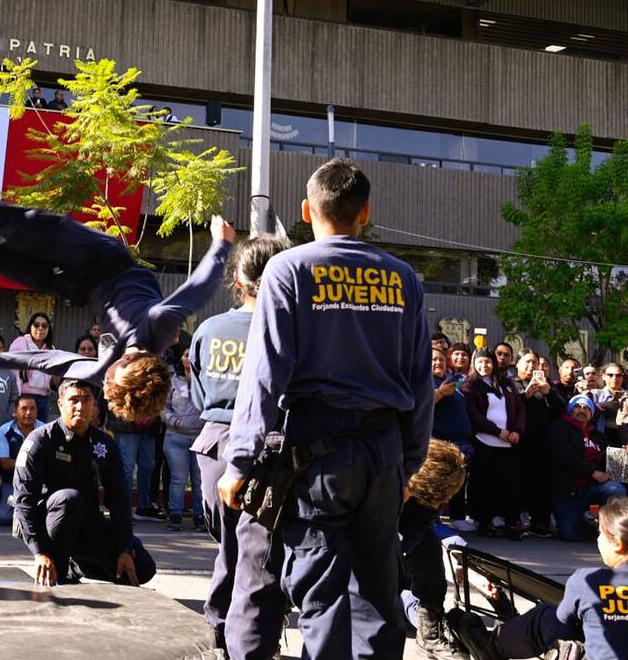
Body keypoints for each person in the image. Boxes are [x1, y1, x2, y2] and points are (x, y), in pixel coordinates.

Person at [220, 158, 433, 660]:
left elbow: (265, 373)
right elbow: (422, 381)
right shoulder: (404, 278)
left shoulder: (289, 269)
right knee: (379, 594)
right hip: (383, 451)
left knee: (322, 594)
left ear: (305, 211)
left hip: (316, 451)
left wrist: (240, 461)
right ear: (366, 214)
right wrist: (411, 462)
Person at [0, 159, 234, 423]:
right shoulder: (159, 324)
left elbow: (52, 360)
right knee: (15, 228)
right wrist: (220, 244)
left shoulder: (110, 370)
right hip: (101, 257)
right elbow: (198, 289)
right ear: (134, 360)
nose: (106, 371)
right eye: (114, 372)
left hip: (75, 285)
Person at [188, 233, 289, 658]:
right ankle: (250, 636)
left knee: (229, 547)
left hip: (213, 446)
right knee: (260, 555)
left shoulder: (209, 329)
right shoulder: (288, 328)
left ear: (238, 281)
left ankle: (220, 629)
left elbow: (197, 396)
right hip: (268, 447)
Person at [448, 495, 628, 660]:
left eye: (601, 534)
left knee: (548, 616)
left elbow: (562, 617)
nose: (597, 540)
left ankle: (490, 646)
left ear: (617, 544)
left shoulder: (587, 581)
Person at [14, 378, 156, 586]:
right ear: (60, 404)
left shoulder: (105, 443)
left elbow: (119, 498)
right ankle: (58, 570)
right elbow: (23, 499)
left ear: (94, 405)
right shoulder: (40, 440)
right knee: (69, 499)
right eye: (74, 400)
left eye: (86, 399)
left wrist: (125, 549)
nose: (80, 406)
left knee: (142, 567)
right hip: (49, 524)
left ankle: (76, 566)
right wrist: (40, 552)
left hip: (86, 524)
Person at [400, 439, 470, 660]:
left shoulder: (432, 493)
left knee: (428, 548)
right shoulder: (382, 468)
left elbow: (413, 534)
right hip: (352, 523)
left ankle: (430, 630)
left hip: (405, 520)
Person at [463, 347, 526, 539]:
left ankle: (511, 524)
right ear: (474, 363)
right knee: (485, 485)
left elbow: (520, 409)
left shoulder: (506, 384)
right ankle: (485, 522)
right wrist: (498, 431)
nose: (485, 365)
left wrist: (517, 431)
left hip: (508, 443)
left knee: (510, 485)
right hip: (485, 441)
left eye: (488, 361)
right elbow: (474, 415)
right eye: (480, 361)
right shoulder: (470, 386)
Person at [548, 394, 627, 541]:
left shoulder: (597, 436)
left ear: (591, 414)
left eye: (586, 408)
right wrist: (592, 472)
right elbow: (564, 455)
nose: (581, 410)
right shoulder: (560, 428)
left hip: (592, 488)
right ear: (570, 410)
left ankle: (616, 533)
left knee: (617, 489)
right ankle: (588, 522)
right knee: (570, 535)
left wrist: (623, 453)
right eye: (577, 406)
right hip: (568, 491)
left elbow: (612, 456)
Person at [516, 348, 565, 537]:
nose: (531, 366)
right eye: (526, 362)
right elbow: (511, 408)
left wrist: (548, 392)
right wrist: (525, 395)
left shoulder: (548, 386)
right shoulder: (512, 384)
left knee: (542, 484)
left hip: (544, 443)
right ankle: (517, 519)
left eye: (534, 363)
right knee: (519, 482)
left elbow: (562, 409)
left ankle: (540, 522)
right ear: (518, 364)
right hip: (520, 442)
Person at [431, 346, 475, 532]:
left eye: (441, 359)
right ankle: (433, 521)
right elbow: (420, 404)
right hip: (439, 441)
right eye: (433, 360)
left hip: (460, 442)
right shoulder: (423, 381)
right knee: (437, 482)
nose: (438, 363)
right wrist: (439, 393)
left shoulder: (450, 382)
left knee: (454, 481)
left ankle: (455, 517)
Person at [161, 347, 202, 531]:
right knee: (178, 479)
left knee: (199, 480)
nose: (188, 359)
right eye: (186, 355)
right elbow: (162, 407)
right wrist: (174, 421)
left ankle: (200, 516)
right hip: (175, 437)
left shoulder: (205, 382)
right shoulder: (172, 381)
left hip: (201, 438)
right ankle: (175, 515)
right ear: (180, 359)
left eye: (192, 355)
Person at [0, 394, 44, 527]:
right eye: (24, 408)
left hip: (39, 484)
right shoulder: (4, 430)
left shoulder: (45, 430)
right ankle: (26, 514)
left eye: (33, 409)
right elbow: (5, 463)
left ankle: (24, 514)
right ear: (15, 412)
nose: (29, 413)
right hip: (12, 483)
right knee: (1, 517)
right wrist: (34, 465)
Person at [8, 312, 55, 420]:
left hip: (44, 398)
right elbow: (12, 371)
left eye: (44, 325)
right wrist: (17, 398)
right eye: (36, 325)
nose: (40, 328)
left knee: (41, 433)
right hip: (24, 396)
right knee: (23, 433)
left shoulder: (50, 348)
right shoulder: (20, 342)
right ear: (30, 326)